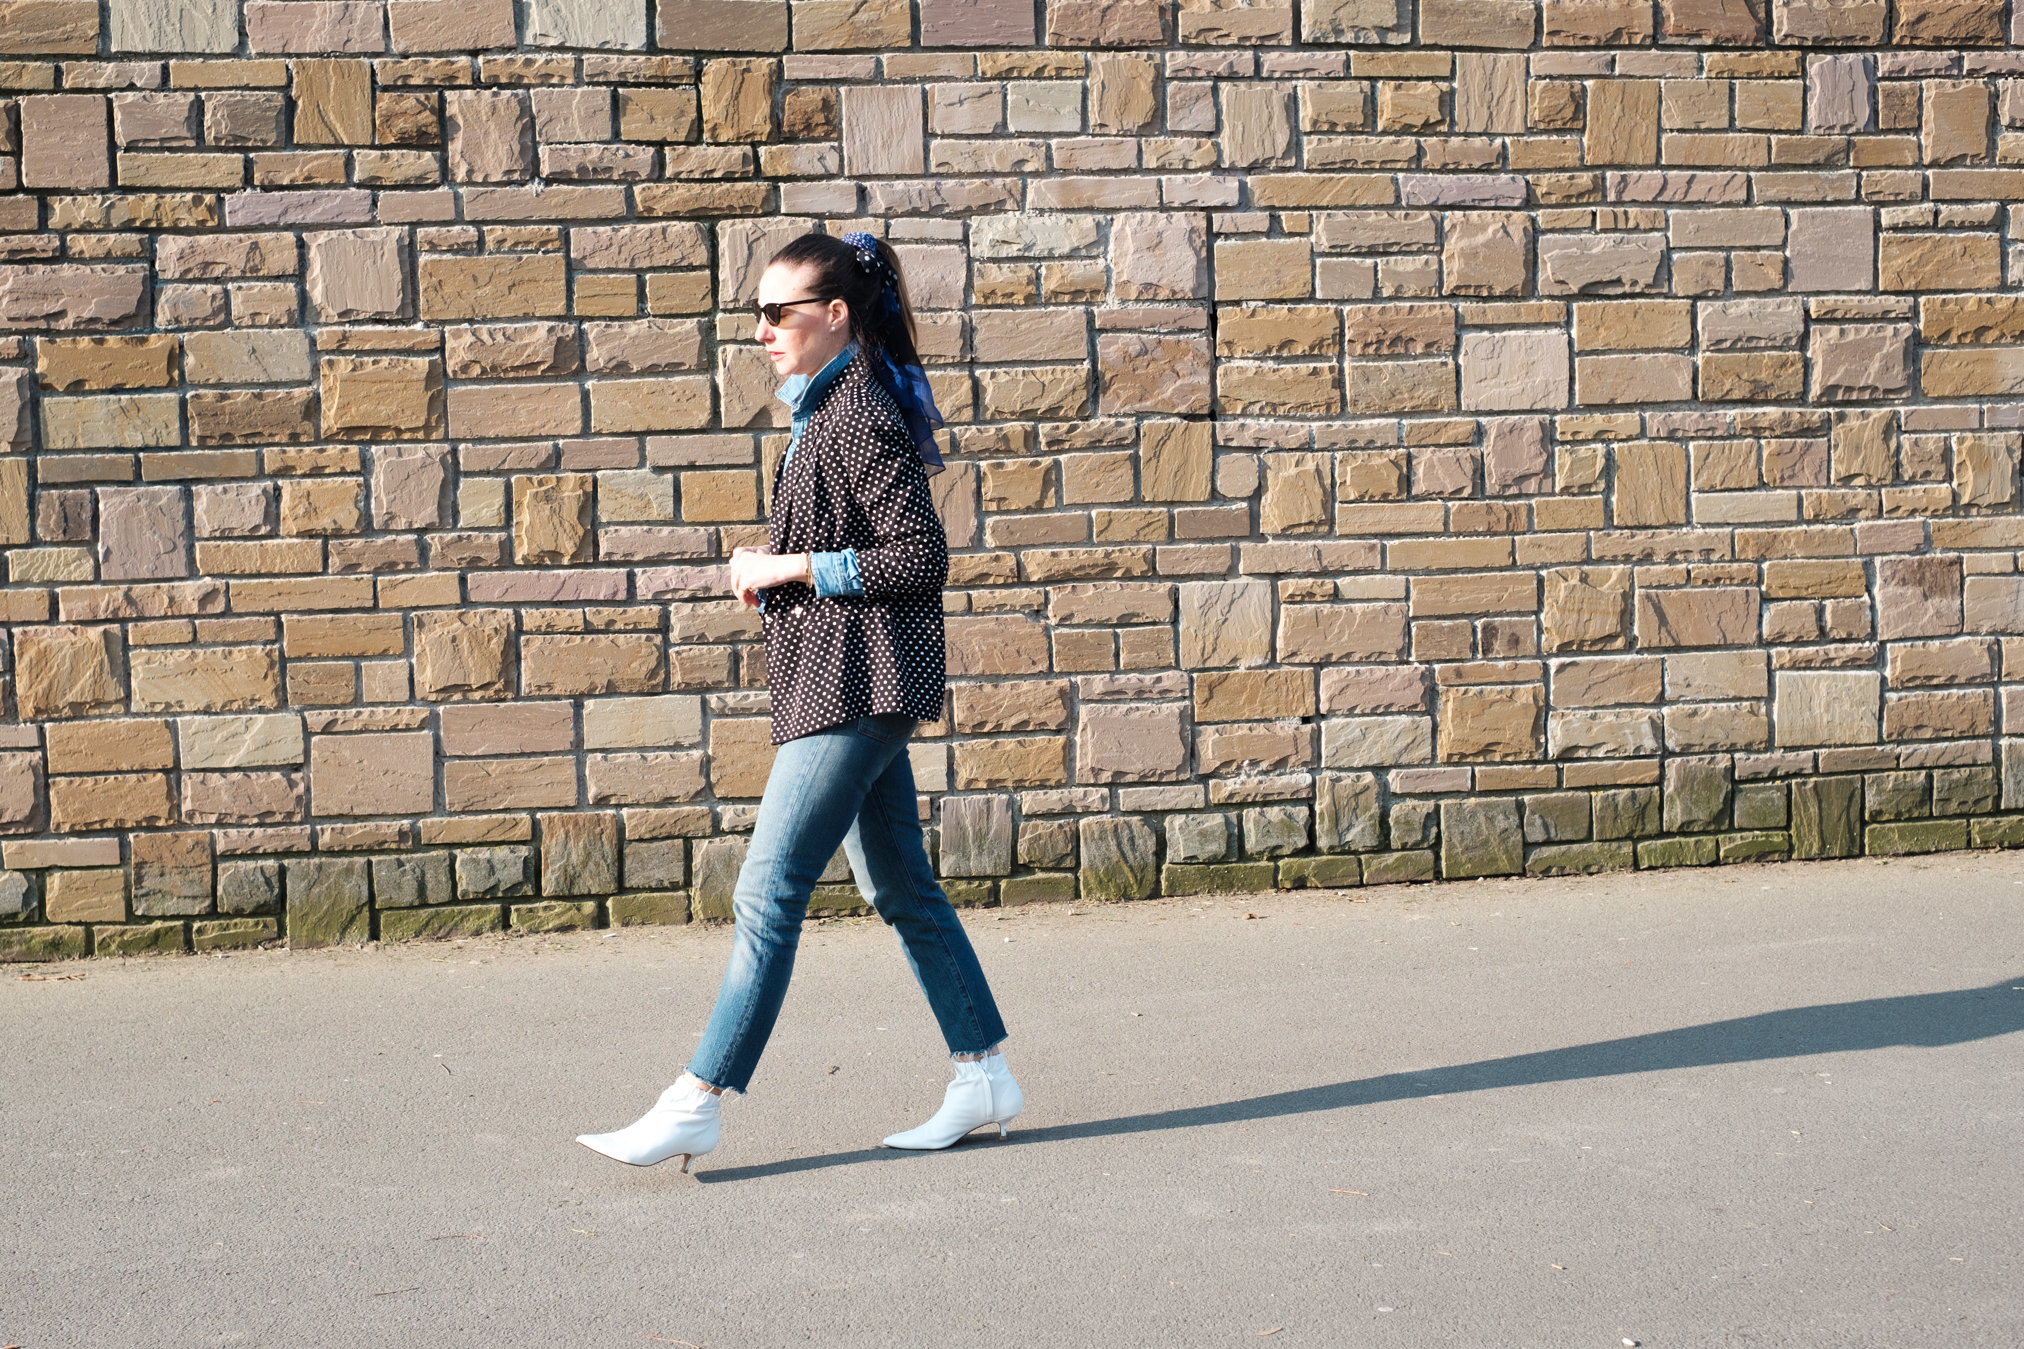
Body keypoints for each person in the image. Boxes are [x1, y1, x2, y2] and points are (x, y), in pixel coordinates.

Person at [576, 231, 1022, 1173]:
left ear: (836, 315)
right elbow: (859, 547)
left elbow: (920, 555)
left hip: (856, 688)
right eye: (759, 313)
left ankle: (698, 1099)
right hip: (853, 678)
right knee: (900, 886)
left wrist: (789, 567)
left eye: (779, 312)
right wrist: (775, 566)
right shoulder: (829, 411)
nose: (762, 329)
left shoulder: (855, 411)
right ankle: (983, 1073)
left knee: (766, 890)